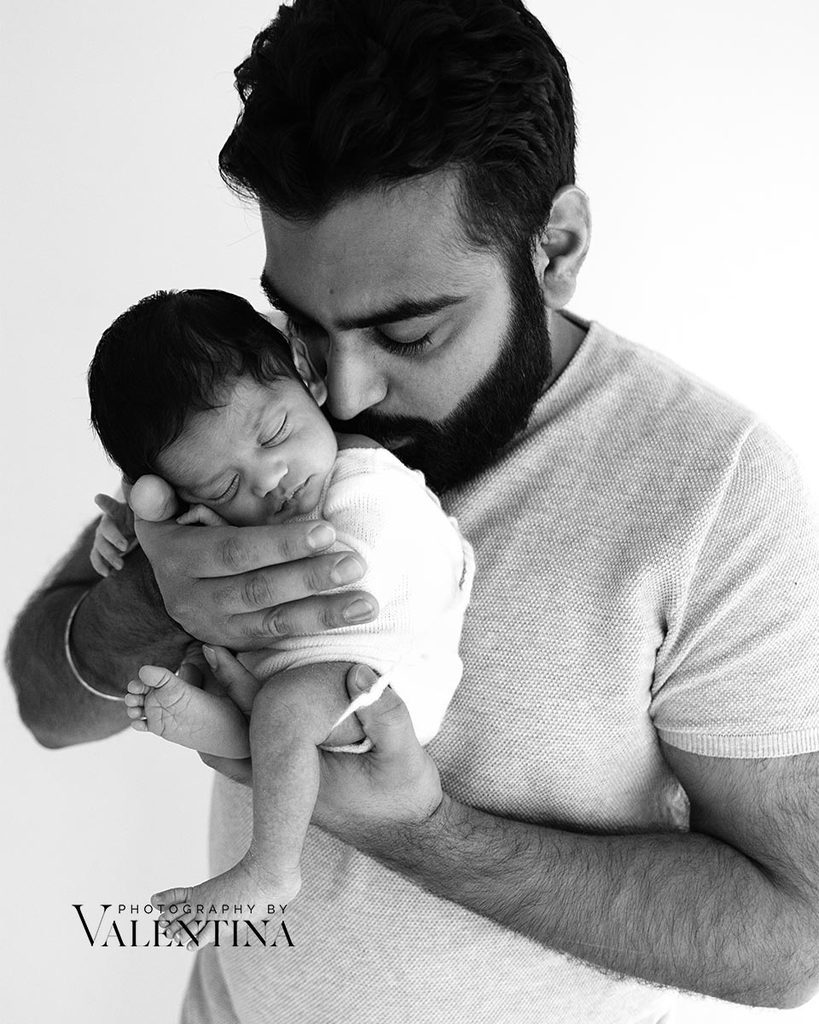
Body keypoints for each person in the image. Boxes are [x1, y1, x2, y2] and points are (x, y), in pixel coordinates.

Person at [7, 1, 819, 1021]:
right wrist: (143, 600)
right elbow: (45, 706)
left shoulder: (715, 488)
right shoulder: (250, 411)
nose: (341, 396)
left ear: (555, 246)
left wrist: (421, 833)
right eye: (303, 325)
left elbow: (792, 940)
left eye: (411, 331)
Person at [85, 287, 473, 945]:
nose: (267, 479)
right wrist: (140, 536)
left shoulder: (369, 484)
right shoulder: (246, 494)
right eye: (225, 487)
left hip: (383, 681)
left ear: (305, 371)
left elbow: (333, 597)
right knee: (220, 672)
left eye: (274, 433)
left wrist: (202, 522)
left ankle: (270, 869)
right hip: (316, 680)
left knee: (287, 705)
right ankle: (234, 727)